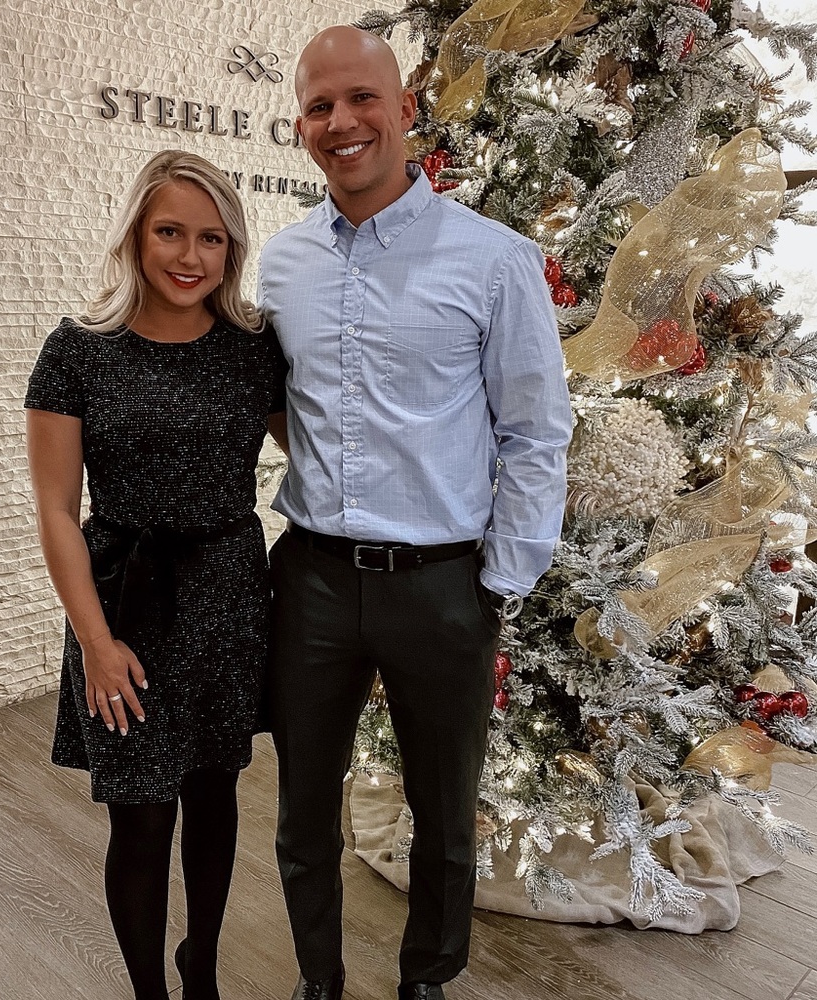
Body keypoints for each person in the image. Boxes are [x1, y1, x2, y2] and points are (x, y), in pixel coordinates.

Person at [257, 26, 573, 1000]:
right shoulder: (282, 264)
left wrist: (500, 583)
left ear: (403, 110)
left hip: (442, 584)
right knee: (303, 806)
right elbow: (284, 404)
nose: (340, 121)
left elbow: (535, 430)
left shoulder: (494, 260)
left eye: (360, 99)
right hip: (309, 575)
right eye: (319, 106)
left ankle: (427, 978)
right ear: (302, 125)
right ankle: (317, 980)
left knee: (443, 808)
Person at [25, 149, 286, 1000]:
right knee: (139, 819)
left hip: (227, 594)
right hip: (123, 604)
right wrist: (96, 644)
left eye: (212, 238)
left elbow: (328, 455)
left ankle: (200, 967)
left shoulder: (255, 349)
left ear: (232, 251)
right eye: (170, 231)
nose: (189, 256)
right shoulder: (76, 351)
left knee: (216, 798)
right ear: (136, 234)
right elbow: (58, 511)